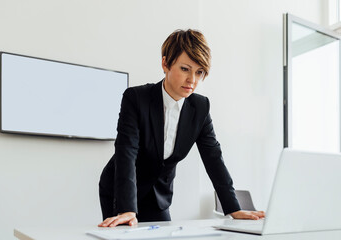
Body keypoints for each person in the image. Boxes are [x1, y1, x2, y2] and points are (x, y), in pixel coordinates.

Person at [98, 29, 265, 227]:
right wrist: (127, 209)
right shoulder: (136, 99)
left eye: (199, 72)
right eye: (185, 69)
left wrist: (233, 208)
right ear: (165, 64)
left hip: (159, 196)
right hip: (121, 191)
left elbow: (213, 157)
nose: (192, 80)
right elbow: (127, 152)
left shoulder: (200, 107)